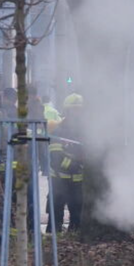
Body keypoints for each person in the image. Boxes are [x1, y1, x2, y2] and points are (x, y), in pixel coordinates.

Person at [48, 93, 85, 233]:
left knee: (76, 215)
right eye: (75, 110)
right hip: (59, 179)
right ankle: (53, 240)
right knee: (56, 214)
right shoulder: (59, 130)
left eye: (80, 110)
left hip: (77, 182)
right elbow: (55, 159)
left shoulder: (83, 130)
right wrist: (77, 163)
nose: (78, 113)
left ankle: (73, 238)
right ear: (67, 111)